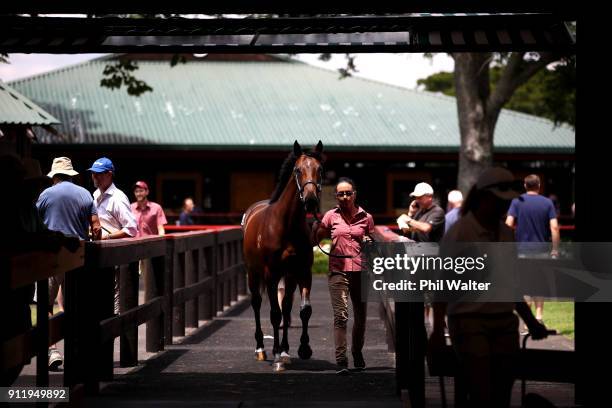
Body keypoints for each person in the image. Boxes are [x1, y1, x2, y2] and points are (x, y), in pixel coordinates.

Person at [429, 167, 549, 408]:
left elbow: (510, 283)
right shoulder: (461, 233)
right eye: (500, 202)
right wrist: (436, 330)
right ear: (484, 198)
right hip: (469, 320)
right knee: (482, 390)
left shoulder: (505, 233)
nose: (505, 207)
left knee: (503, 391)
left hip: (504, 321)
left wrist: (531, 320)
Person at [36, 156, 101, 370]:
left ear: (54, 175)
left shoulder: (45, 194)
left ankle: (52, 349)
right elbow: (97, 228)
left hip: (52, 258)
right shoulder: (84, 194)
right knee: (75, 304)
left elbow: (36, 225)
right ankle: (77, 351)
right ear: (71, 175)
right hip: (77, 257)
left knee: (47, 304)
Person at [312, 177, 374, 375]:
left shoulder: (366, 217)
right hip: (338, 270)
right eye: (341, 194)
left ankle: (357, 352)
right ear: (336, 196)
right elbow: (317, 238)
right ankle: (341, 361)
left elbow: (373, 242)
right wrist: (315, 229)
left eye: (348, 193)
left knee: (361, 317)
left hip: (361, 270)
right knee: (341, 316)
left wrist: (369, 242)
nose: (345, 197)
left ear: (354, 194)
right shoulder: (330, 216)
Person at [505, 174, 560, 326]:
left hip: (521, 250)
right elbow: (554, 227)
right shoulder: (547, 203)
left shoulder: (517, 201)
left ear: (525, 185)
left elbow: (508, 224)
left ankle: (527, 321)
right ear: (539, 185)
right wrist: (555, 249)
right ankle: (539, 317)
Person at [89, 157, 138, 313]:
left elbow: (131, 229)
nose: (95, 177)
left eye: (98, 174)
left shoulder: (118, 197)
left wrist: (107, 237)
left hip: (113, 255)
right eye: (93, 173)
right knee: (100, 298)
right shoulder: (95, 194)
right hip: (99, 254)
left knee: (115, 300)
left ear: (109, 174)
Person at [396, 182, 446, 325]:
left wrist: (409, 219)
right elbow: (407, 230)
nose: (417, 200)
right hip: (417, 256)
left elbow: (425, 228)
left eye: (419, 197)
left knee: (430, 295)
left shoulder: (437, 211)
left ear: (429, 197)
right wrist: (411, 213)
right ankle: (421, 323)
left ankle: (433, 326)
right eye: (415, 197)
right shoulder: (419, 211)